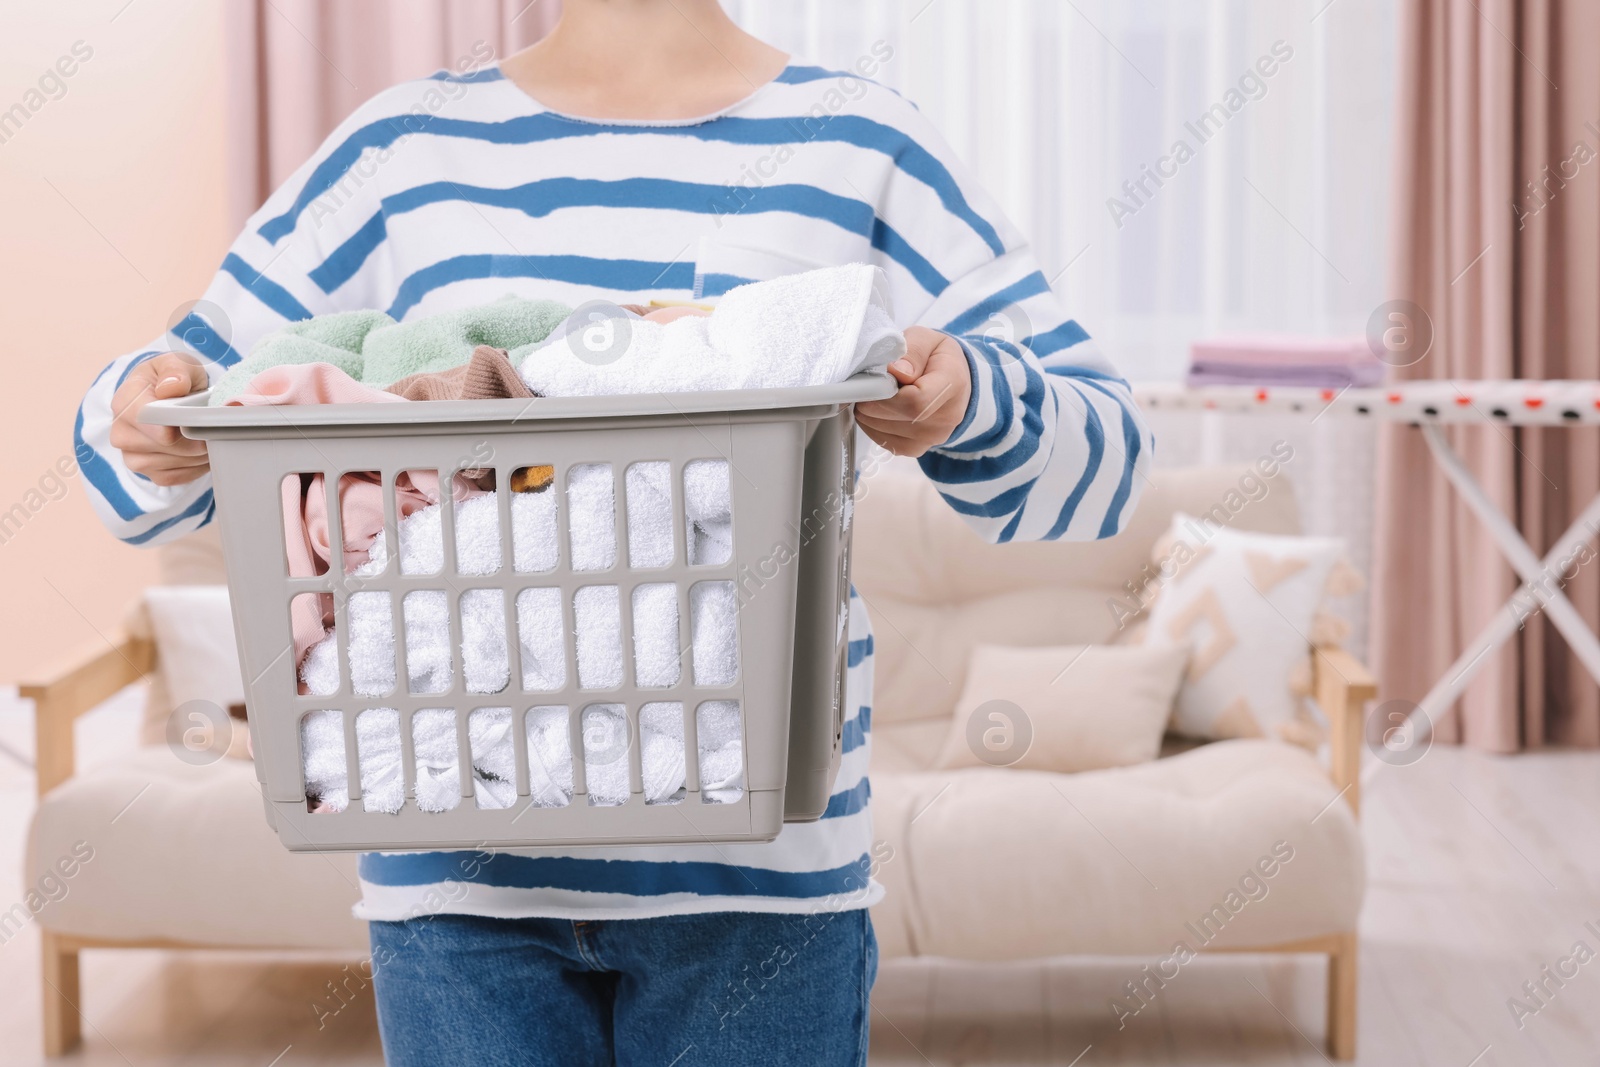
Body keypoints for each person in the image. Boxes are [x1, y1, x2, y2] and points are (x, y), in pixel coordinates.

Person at [77, 1, 1152, 1063]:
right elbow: (164, 424)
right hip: (458, 875)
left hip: (761, 884)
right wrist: (151, 420)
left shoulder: (861, 144)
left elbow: (1106, 459)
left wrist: (970, 395)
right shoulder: (399, 153)